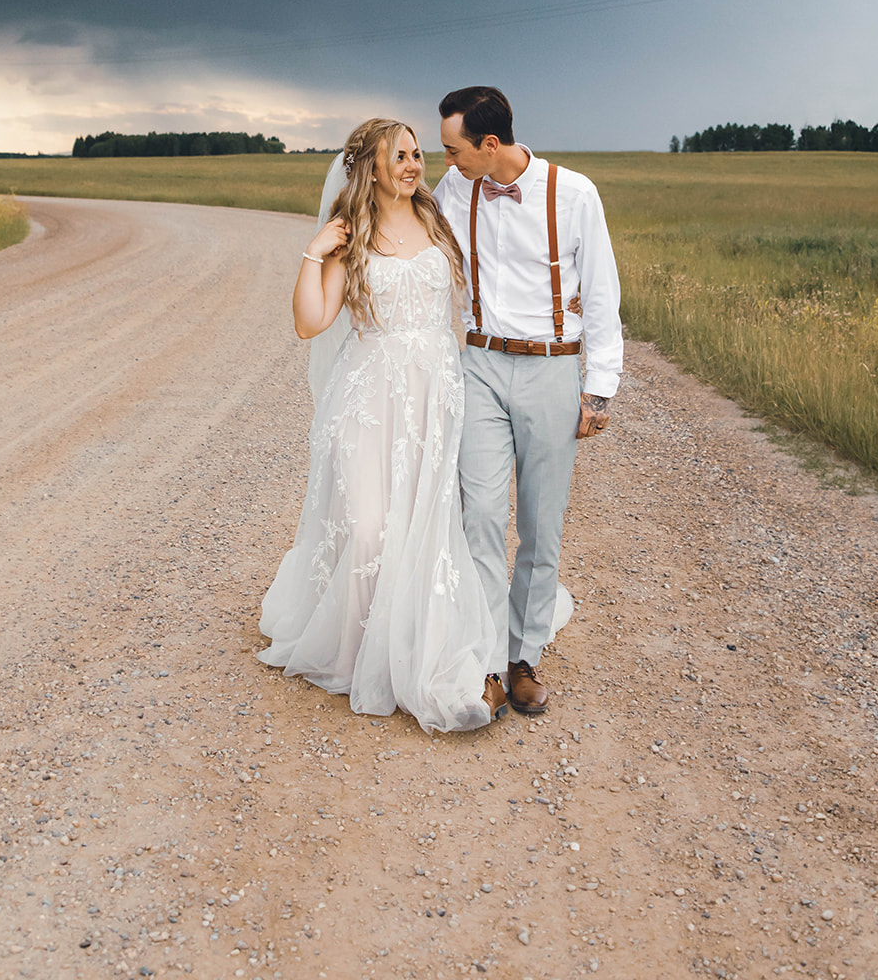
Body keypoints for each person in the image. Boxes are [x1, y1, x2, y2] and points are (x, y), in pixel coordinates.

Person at [257, 117, 504, 732]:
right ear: (369, 166)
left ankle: (417, 648)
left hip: (433, 392)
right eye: (400, 156)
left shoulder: (437, 217)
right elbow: (310, 323)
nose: (414, 164)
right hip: (368, 394)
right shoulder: (352, 233)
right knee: (368, 527)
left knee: (424, 523)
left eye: (418, 154)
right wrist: (313, 253)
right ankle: (359, 651)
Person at [434, 87, 623, 717]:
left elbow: (600, 294)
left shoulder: (575, 194)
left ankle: (524, 658)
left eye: (455, 150)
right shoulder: (453, 190)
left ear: (491, 144)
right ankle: (486, 661)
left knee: (542, 524)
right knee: (481, 516)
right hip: (479, 364)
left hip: (552, 369)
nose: (448, 162)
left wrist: (599, 390)